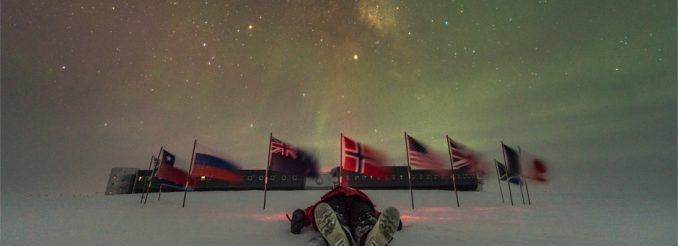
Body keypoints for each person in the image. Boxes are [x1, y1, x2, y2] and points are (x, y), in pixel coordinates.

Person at [288, 186, 402, 246]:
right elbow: (375, 213)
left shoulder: (332, 194)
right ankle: (372, 236)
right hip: (359, 202)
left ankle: (338, 236)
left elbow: (309, 211)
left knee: (335, 218)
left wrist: (300, 214)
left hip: (342, 202)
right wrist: (299, 215)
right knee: (365, 219)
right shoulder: (355, 193)